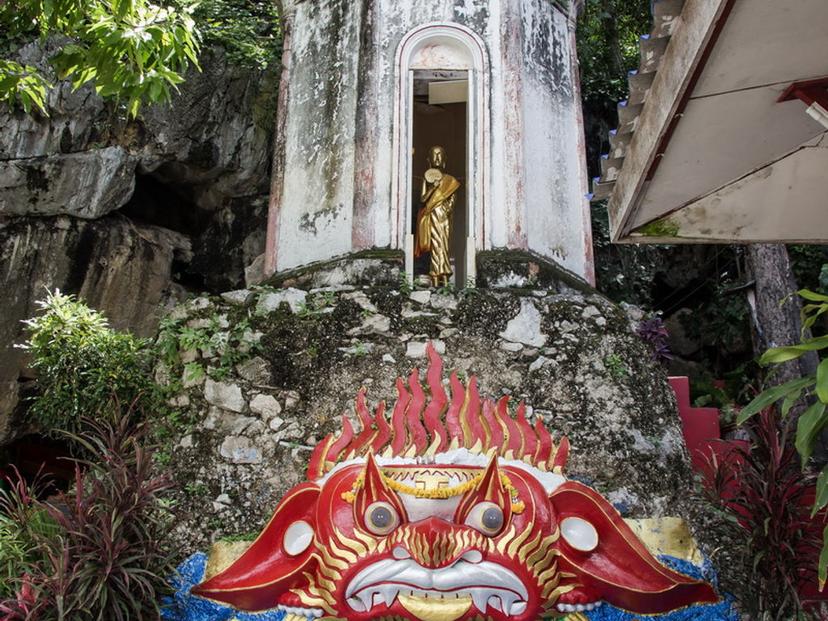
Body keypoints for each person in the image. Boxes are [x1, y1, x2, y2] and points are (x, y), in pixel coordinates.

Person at [414, 145, 460, 287]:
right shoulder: (426, 179)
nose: (437, 158)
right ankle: (434, 276)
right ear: (429, 159)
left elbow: (452, 199)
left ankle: (445, 277)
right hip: (431, 215)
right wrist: (433, 187)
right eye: (434, 155)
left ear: (445, 159)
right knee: (434, 247)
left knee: (443, 247)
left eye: (440, 155)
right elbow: (422, 199)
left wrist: (447, 209)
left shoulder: (450, 180)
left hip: (444, 217)